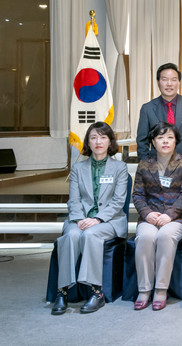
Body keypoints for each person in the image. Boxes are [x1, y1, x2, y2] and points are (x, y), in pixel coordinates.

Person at [51, 122, 129, 315]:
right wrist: (79, 219)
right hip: (80, 219)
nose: (98, 142)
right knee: (71, 236)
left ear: (110, 141)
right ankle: (62, 292)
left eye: (103, 137)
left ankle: (96, 292)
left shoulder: (120, 167)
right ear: (88, 142)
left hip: (109, 221)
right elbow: (74, 200)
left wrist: (98, 219)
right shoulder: (78, 168)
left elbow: (118, 201)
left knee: (91, 235)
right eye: (93, 137)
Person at [133, 122, 182, 311]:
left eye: (169, 137)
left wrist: (169, 215)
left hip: (176, 218)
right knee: (145, 237)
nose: (165, 141)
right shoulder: (144, 163)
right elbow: (137, 195)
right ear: (153, 142)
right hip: (150, 216)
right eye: (160, 138)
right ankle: (144, 290)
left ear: (176, 141)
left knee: (165, 236)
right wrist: (148, 214)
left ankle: (161, 289)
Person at [136, 63, 182, 164]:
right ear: (158, 82)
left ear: (179, 82)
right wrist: (145, 166)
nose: (169, 84)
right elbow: (142, 142)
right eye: (164, 79)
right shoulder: (147, 108)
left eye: (174, 80)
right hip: (158, 165)